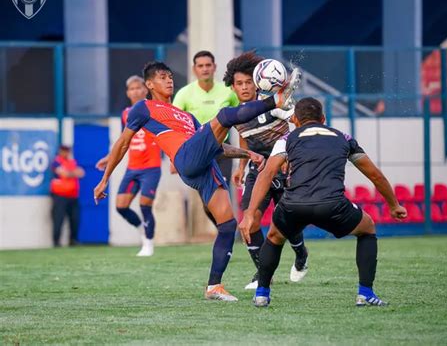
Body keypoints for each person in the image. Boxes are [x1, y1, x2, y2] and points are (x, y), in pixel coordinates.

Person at [94, 60, 300, 302]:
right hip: (185, 158)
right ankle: (275, 101)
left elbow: (211, 145)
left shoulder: (187, 117)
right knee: (223, 116)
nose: (169, 80)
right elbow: (123, 143)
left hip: (202, 165)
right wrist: (105, 177)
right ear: (149, 84)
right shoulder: (143, 108)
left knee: (227, 224)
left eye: (170, 76)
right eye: (162, 77)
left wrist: (248, 154)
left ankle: (214, 286)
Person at [239, 97, 407, 307]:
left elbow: (266, 174)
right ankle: (365, 293)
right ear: (324, 119)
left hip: (294, 205)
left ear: (296, 121)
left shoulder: (287, 139)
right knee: (367, 228)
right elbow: (375, 176)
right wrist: (394, 205)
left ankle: (262, 293)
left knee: (274, 236)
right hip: (332, 205)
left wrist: (249, 213)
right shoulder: (343, 138)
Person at [223, 51, 309, 290]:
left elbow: (298, 122)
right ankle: (264, 273)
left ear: (258, 81)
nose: (244, 87)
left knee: (288, 224)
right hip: (258, 171)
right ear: (232, 88)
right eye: (238, 83)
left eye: (248, 82)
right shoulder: (235, 114)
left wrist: (291, 119)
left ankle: (301, 255)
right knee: (249, 222)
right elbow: (244, 137)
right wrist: (241, 165)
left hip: (284, 169)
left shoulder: (273, 106)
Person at [96, 75, 161, 257]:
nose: (135, 91)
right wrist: (110, 157)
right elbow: (123, 140)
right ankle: (142, 228)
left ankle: (148, 244)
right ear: (127, 93)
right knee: (121, 206)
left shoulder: (154, 109)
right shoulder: (125, 114)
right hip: (132, 168)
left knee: (145, 205)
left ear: (145, 90)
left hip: (151, 167)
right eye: (131, 89)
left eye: (138, 87)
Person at [173, 50, 239, 182]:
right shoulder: (184, 94)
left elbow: (241, 120)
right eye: (200, 66)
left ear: (214, 67)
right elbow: (174, 126)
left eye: (208, 65)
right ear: (194, 69)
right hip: (196, 150)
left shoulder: (228, 92)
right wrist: (175, 155)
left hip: (222, 149)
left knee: (222, 188)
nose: (205, 69)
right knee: (206, 196)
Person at [50, 145, 85, 247]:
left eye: (67, 151)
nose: (66, 153)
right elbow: (64, 174)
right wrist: (73, 173)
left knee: (75, 219)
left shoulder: (71, 162)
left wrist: (71, 173)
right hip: (60, 196)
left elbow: (81, 173)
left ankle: (73, 240)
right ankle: (56, 242)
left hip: (73, 195)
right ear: (60, 151)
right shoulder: (56, 162)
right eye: (64, 151)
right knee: (58, 219)